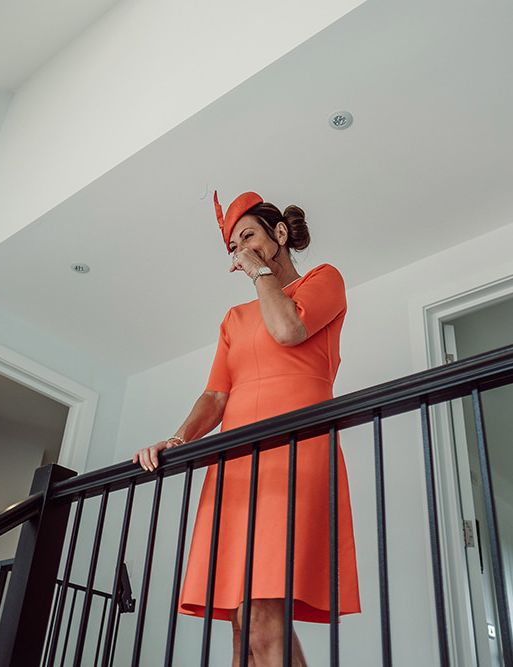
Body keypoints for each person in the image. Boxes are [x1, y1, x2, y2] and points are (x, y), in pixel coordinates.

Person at [132, 191, 361, 666]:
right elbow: (216, 395)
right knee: (241, 627)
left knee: (263, 616)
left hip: (295, 453)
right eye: (234, 246)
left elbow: (288, 331)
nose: (241, 251)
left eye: (249, 237)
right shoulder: (233, 319)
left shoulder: (324, 280)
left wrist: (260, 272)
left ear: (279, 235)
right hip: (236, 464)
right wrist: (177, 440)